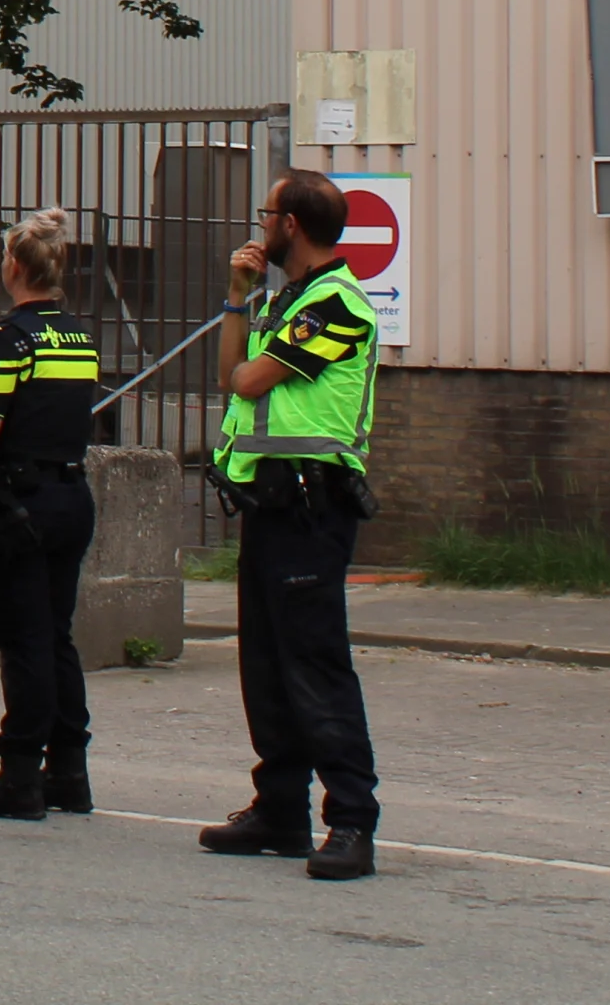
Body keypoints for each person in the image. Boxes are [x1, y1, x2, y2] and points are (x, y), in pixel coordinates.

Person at [200, 168, 384, 881]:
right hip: (270, 505)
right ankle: (280, 808)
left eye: (268, 212)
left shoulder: (336, 305)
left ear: (292, 226)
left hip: (314, 507)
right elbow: (227, 374)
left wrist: (248, 327)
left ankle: (352, 821)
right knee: (267, 665)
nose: (261, 224)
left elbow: (249, 380)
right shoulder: (287, 300)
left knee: (314, 665)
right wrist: (236, 301)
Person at [0, 207, 102, 821]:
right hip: (70, 496)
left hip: (17, 504)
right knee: (56, 635)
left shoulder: (9, 337)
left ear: (13, 266)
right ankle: (68, 769)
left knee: (24, 641)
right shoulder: (78, 333)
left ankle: (19, 774)